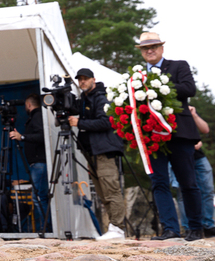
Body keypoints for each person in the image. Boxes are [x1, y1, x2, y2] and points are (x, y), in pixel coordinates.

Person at [137, 32, 203, 241]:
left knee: (188, 183)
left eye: (154, 46)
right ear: (141, 51)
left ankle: (195, 227)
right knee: (159, 183)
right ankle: (170, 229)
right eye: (146, 47)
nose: (150, 50)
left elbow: (189, 88)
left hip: (180, 133)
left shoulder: (178, 66)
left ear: (162, 48)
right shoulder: (136, 76)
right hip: (152, 136)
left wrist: (157, 87)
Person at [68, 68, 126, 241]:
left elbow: (106, 121)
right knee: (102, 193)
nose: (82, 82)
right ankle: (114, 229)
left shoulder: (101, 97)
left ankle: (118, 228)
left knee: (111, 190)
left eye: (85, 79)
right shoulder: (85, 99)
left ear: (94, 79)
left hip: (104, 150)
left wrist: (80, 122)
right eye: (80, 80)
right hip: (91, 152)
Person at [171, 106, 215, 237]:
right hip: (178, 156)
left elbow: (205, 129)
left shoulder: (189, 111)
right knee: (182, 193)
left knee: (208, 189)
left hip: (198, 158)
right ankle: (188, 227)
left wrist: (194, 115)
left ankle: (208, 225)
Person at [9, 94, 50, 232]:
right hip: (37, 163)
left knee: (38, 197)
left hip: (39, 162)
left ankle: (46, 228)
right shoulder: (36, 116)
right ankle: (45, 228)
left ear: (28, 104)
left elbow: (42, 136)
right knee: (39, 197)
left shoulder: (37, 116)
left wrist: (23, 137)